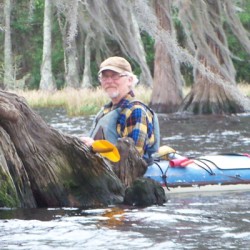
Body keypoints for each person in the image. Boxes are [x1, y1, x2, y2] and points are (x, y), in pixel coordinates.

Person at [81, 56, 160, 163]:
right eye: (104, 77)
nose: (109, 81)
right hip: (103, 167)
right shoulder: (106, 110)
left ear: (129, 80)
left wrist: (95, 146)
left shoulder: (136, 110)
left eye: (115, 76)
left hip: (126, 173)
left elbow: (134, 157)